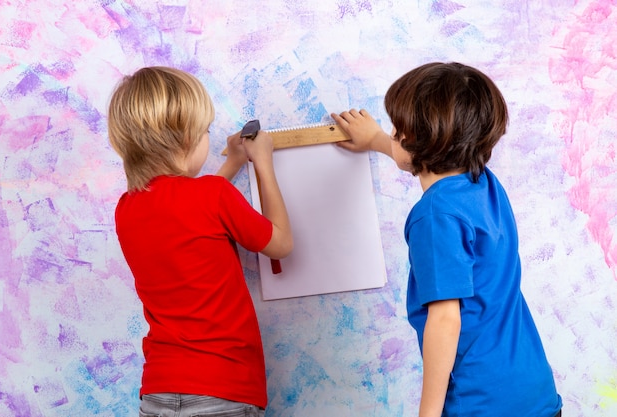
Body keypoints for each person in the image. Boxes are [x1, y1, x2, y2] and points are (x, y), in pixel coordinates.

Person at [332, 62, 562, 417]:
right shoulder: (482, 183)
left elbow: (445, 320)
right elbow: (427, 159)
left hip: (481, 402)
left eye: (397, 130)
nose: (392, 134)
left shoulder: (435, 216)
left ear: (415, 139)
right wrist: (378, 140)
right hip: (532, 394)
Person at [107, 66, 293, 417]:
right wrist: (263, 162)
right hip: (224, 387)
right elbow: (280, 243)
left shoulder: (126, 208)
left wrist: (235, 162)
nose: (209, 139)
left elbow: (190, 210)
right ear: (185, 140)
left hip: (159, 391)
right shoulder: (213, 195)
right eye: (205, 130)